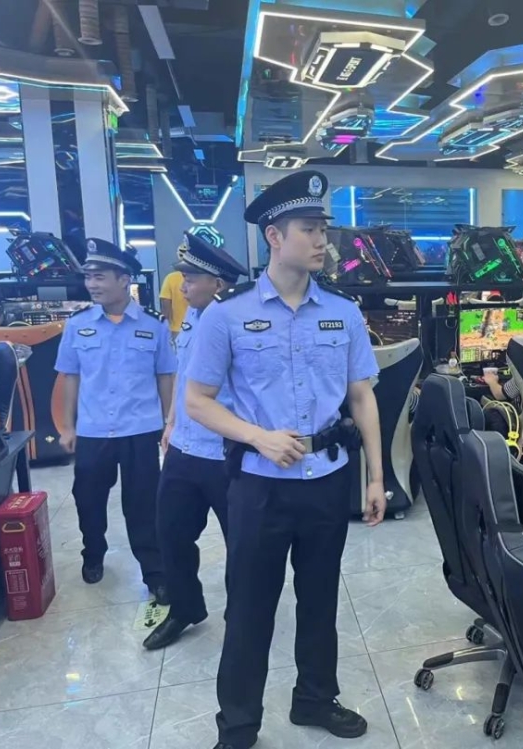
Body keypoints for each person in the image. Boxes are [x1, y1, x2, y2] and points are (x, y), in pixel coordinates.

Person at [185, 170, 387, 748]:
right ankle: (238, 726)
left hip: (327, 480)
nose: (322, 240)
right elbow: (197, 401)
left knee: (320, 600)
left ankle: (315, 700)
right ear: (275, 236)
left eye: (323, 228)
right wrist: (258, 436)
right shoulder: (227, 315)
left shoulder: (342, 311)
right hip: (259, 486)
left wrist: (378, 477)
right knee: (250, 609)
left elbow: (361, 396)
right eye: (308, 228)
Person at [142, 232, 248, 651]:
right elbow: (185, 376)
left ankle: (242, 614)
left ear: (217, 284)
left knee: (241, 541)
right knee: (170, 532)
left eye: (190, 278)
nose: (181, 286)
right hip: (184, 448)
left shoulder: (239, 323)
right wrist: (170, 423)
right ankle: (185, 607)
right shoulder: (191, 317)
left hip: (225, 452)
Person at [54, 238, 176, 600]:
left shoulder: (153, 326)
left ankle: (154, 571)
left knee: (143, 504)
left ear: (124, 279)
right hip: (93, 430)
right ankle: (93, 553)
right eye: (88, 277)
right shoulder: (77, 325)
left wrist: (170, 423)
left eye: (100, 277)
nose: (92, 284)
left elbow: (165, 377)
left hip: (140, 429)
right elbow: (70, 377)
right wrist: (67, 426)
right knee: (88, 498)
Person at [159, 267, 188, 340]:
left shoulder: (171, 278)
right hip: (196, 329)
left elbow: (166, 311)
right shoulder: (201, 278)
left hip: (175, 331)